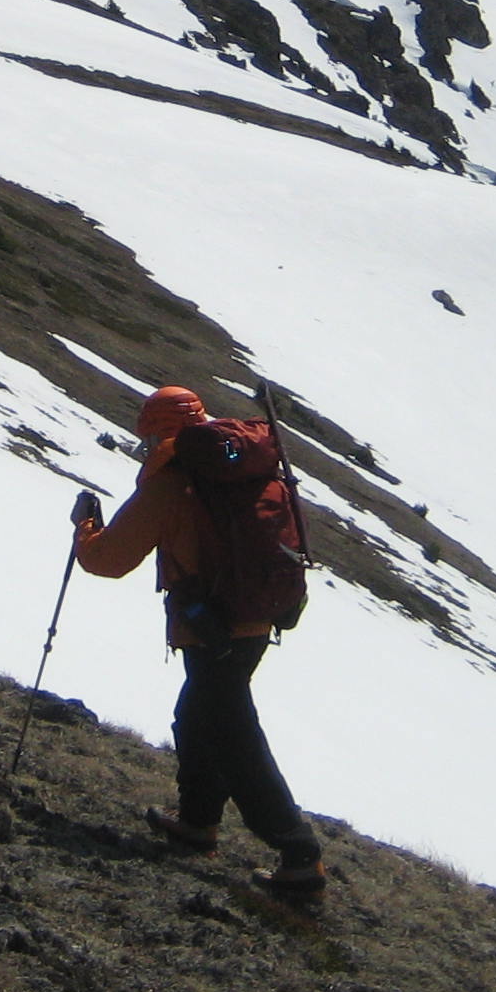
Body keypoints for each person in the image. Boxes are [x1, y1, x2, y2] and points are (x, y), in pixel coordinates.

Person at [73, 384, 324, 912]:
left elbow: (110, 560)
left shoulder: (174, 481)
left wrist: (84, 527)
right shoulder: (247, 464)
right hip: (257, 620)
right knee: (198, 717)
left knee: (232, 735)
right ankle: (197, 825)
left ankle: (298, 855)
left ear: (158, 431)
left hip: (211, 626)